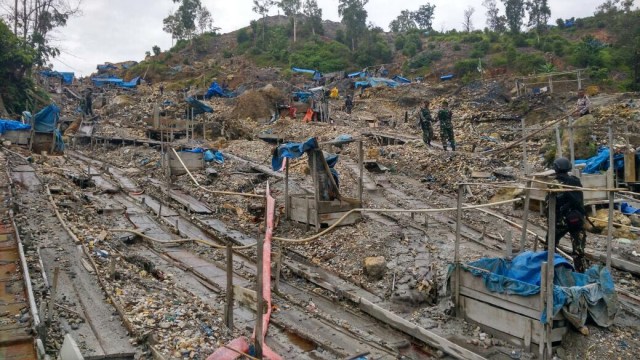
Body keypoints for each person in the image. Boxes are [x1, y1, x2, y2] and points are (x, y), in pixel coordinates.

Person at [546, 157, 588, 273]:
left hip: (561, 221)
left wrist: (549, 219)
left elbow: (549, 204)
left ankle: (550, 271)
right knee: (579, 251)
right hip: (577, 219)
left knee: (550, 246)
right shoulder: (575, 181)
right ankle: (581, 274)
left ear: (556, 168)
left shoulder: (554, 183)